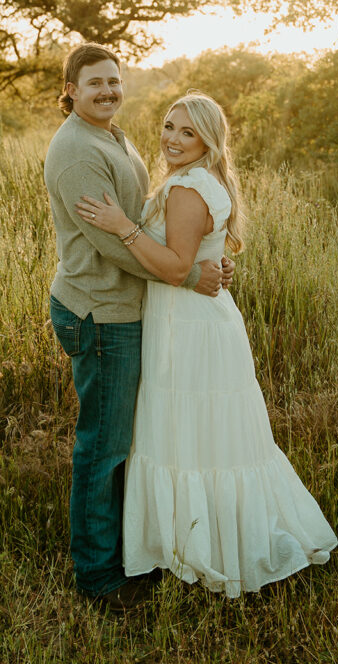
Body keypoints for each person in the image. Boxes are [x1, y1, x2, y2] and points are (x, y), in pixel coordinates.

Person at [76, 91, 337, 597]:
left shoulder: (188, 188)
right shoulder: (194, 180)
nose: (172, 139)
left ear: (208, 141)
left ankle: (202, 548)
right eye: (169, 126)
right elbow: (197, 255)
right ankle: (191, 542)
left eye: (187, 132)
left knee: (192, 436)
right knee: (199, 437)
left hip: (188, 326)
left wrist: (123, 227)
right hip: (197, 319)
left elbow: (176, 266)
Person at [44, 45, 233, 611]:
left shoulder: (114, 135)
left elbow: (155, 222)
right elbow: (112, 240)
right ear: (71, 90)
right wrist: (184, 272)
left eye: (114, 82)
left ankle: (131, 550)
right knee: (102, 447)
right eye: (94, 83)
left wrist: (204, 255)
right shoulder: (78, 150)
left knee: (124, 441)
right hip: (101, 312)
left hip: (128, 308)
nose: (107, 91)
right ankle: (98, 578)